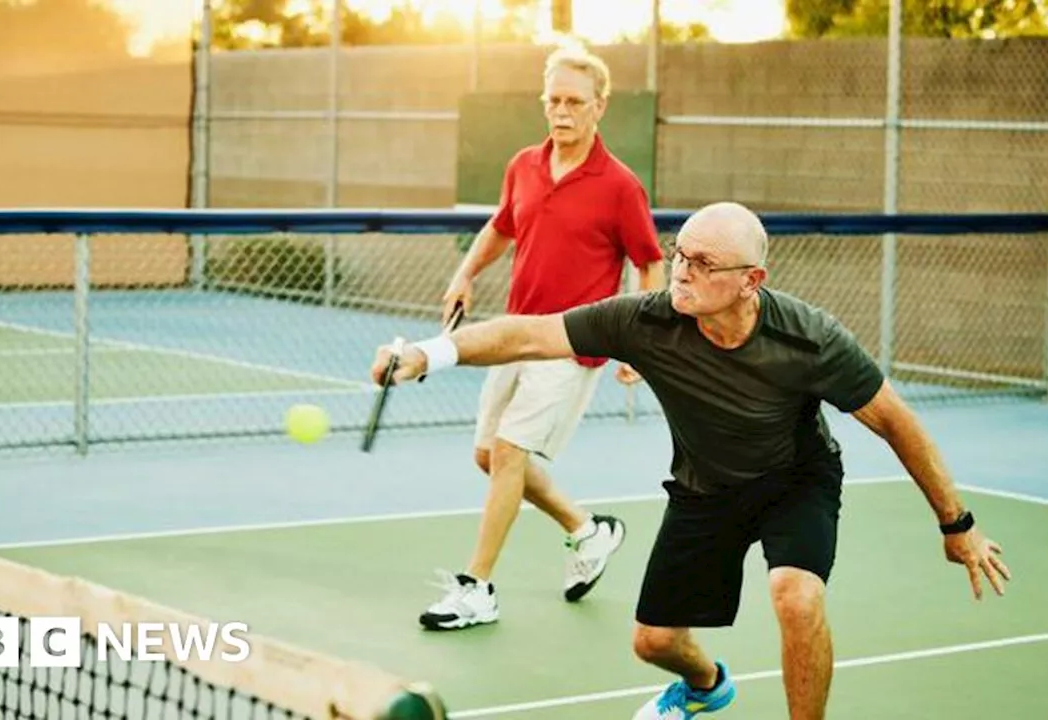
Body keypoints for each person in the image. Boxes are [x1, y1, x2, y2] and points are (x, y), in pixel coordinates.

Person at [371, 201, 1013, 718]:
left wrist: (956, 525)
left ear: (749, 281)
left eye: (703, 263)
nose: (681, 270)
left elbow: (896, 422)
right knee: (654, 642)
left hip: (795, 480)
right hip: (705, 487)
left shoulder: (809, 339)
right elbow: (530, 332)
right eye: (680, 254)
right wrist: (432, 354)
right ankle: (706, 687)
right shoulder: (647, 320)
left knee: (795, 596)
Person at [422, 43, 667, 632]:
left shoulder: (620, 186)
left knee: (509, 453)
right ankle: (588, 530)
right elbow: (503, 224)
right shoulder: (524, 165)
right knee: (489, 456)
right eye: (553, 100)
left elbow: (649, 264)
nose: (561, 111)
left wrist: (638, 341)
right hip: (513, 332)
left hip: (572, 344)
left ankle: (476, 588)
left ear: (599, 107)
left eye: (574, 102)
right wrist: (464, 274)